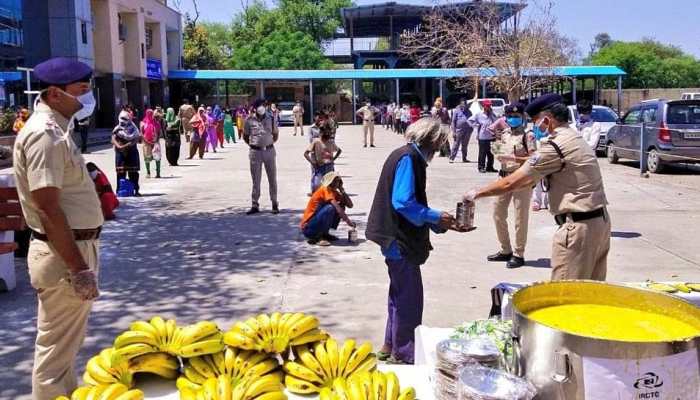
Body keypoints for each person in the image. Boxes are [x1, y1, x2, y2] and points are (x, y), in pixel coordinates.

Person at [12, 57, 103, 399]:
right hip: (65, 255)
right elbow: (47, 207)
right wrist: (78, 268)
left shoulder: (59, 130)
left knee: (65, 347)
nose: (87, 98)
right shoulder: (44, 135)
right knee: (55, 351)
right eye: (81, 91)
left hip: (75, 249)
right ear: (54, 93)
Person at [463, 94, 611, 281]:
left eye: (536, 121)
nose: (536, 125)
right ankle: (507, 249)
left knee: (565, 295)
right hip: (599, 222)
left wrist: (477, 193)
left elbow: (513, 182)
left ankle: (518, 252)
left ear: (547, 119)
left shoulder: (554, 146)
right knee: (589, 294)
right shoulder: (575, 137)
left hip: (579, 229)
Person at [366, 117, 457, 365]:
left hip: (395, 238)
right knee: (409, 298)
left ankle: (390, 344)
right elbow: (403, 202)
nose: (439, 149)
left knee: (399, 294)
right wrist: (435, 216)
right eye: (439, 143)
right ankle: (404, 353)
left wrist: (437, 224)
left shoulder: (405, 155)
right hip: (398, 239)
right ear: (432, 140)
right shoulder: (408, 158)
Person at [486, 103, 536, 268]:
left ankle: (518, 253)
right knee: (498, 214)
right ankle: (505, 249)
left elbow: (534, 158)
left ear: (522, 117)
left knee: (520, 218)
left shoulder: (528, 135)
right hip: (503, 177)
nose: (513, 119)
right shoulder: (505, 134)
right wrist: (497, 151)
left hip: (520, 179)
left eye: (516, 116)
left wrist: (514, 159)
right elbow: (498, 151)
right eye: (510, 117)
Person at [243, 98, 279, 215]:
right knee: (256, 179)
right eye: (260, 105)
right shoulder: (249, 120)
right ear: (255, 108)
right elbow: (245, 136)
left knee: (272, 178)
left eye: (264, 105)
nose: (262, 107)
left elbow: (276, 134)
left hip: (269, 151)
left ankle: (274, 203)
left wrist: (267, 143)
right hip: (255, 152)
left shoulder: (271, 118)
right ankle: (254, 204)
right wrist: (255, 145)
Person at [300, 172, 355, 246]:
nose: (337, 183)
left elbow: (350, 205)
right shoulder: (325, 189)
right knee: (331, 208)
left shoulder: (334, 192)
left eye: (338, 181)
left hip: (316, 224)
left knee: (341, 206)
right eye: (335, 181)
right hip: (308, 228)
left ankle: (324, 234)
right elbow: (337, 208)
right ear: (330, 182)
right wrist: (348, 222)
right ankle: (319, 237)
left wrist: (342, 190)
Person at [305, 120, 342, 193]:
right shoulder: (316, 142)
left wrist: (333, 159)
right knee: (317, 186)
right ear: (321, 133)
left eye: (328, 132)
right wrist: (313, 163)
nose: (327, 134)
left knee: (330, 187)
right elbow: (306, 153)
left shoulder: (330, 142)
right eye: (324, 132)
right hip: (320, 167)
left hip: (329, 167)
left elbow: (339, 150)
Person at [112, 110, 141, 195]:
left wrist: (129, 145)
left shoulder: (134, 128)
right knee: (120, 173)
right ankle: (119, 190)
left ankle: (136, 190)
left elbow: (136, 138)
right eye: (122, 118)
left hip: (131, 152)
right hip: (120, 153)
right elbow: (113, 138)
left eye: (125, 118)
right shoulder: (117, 128)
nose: (123, 120)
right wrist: (119, 146)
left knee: (133, 173)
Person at [468, 99, 498, 173]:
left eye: (490, 105)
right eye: (487, 105)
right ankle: (481, 167)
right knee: (482, 153)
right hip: (483, 137)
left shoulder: (492, 114)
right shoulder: (479, 114)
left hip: (492, 136)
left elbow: (497, 121)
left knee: (491, 153)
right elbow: (469, 120)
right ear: (484, 106)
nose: (489, 107)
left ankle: (490, 167)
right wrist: (476, 125)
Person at [140, 108, 162, 179]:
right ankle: (148, 172)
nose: (150, 115)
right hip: (146, 143)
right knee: (147, 158)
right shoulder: (143, 123)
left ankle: (158, 173)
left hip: (155, 143)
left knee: (157, 157)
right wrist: (146, 141)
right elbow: (142, 133)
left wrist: (156, 141)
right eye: (149, 113)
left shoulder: (156, 123)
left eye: (151, 113)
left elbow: (159, 133)